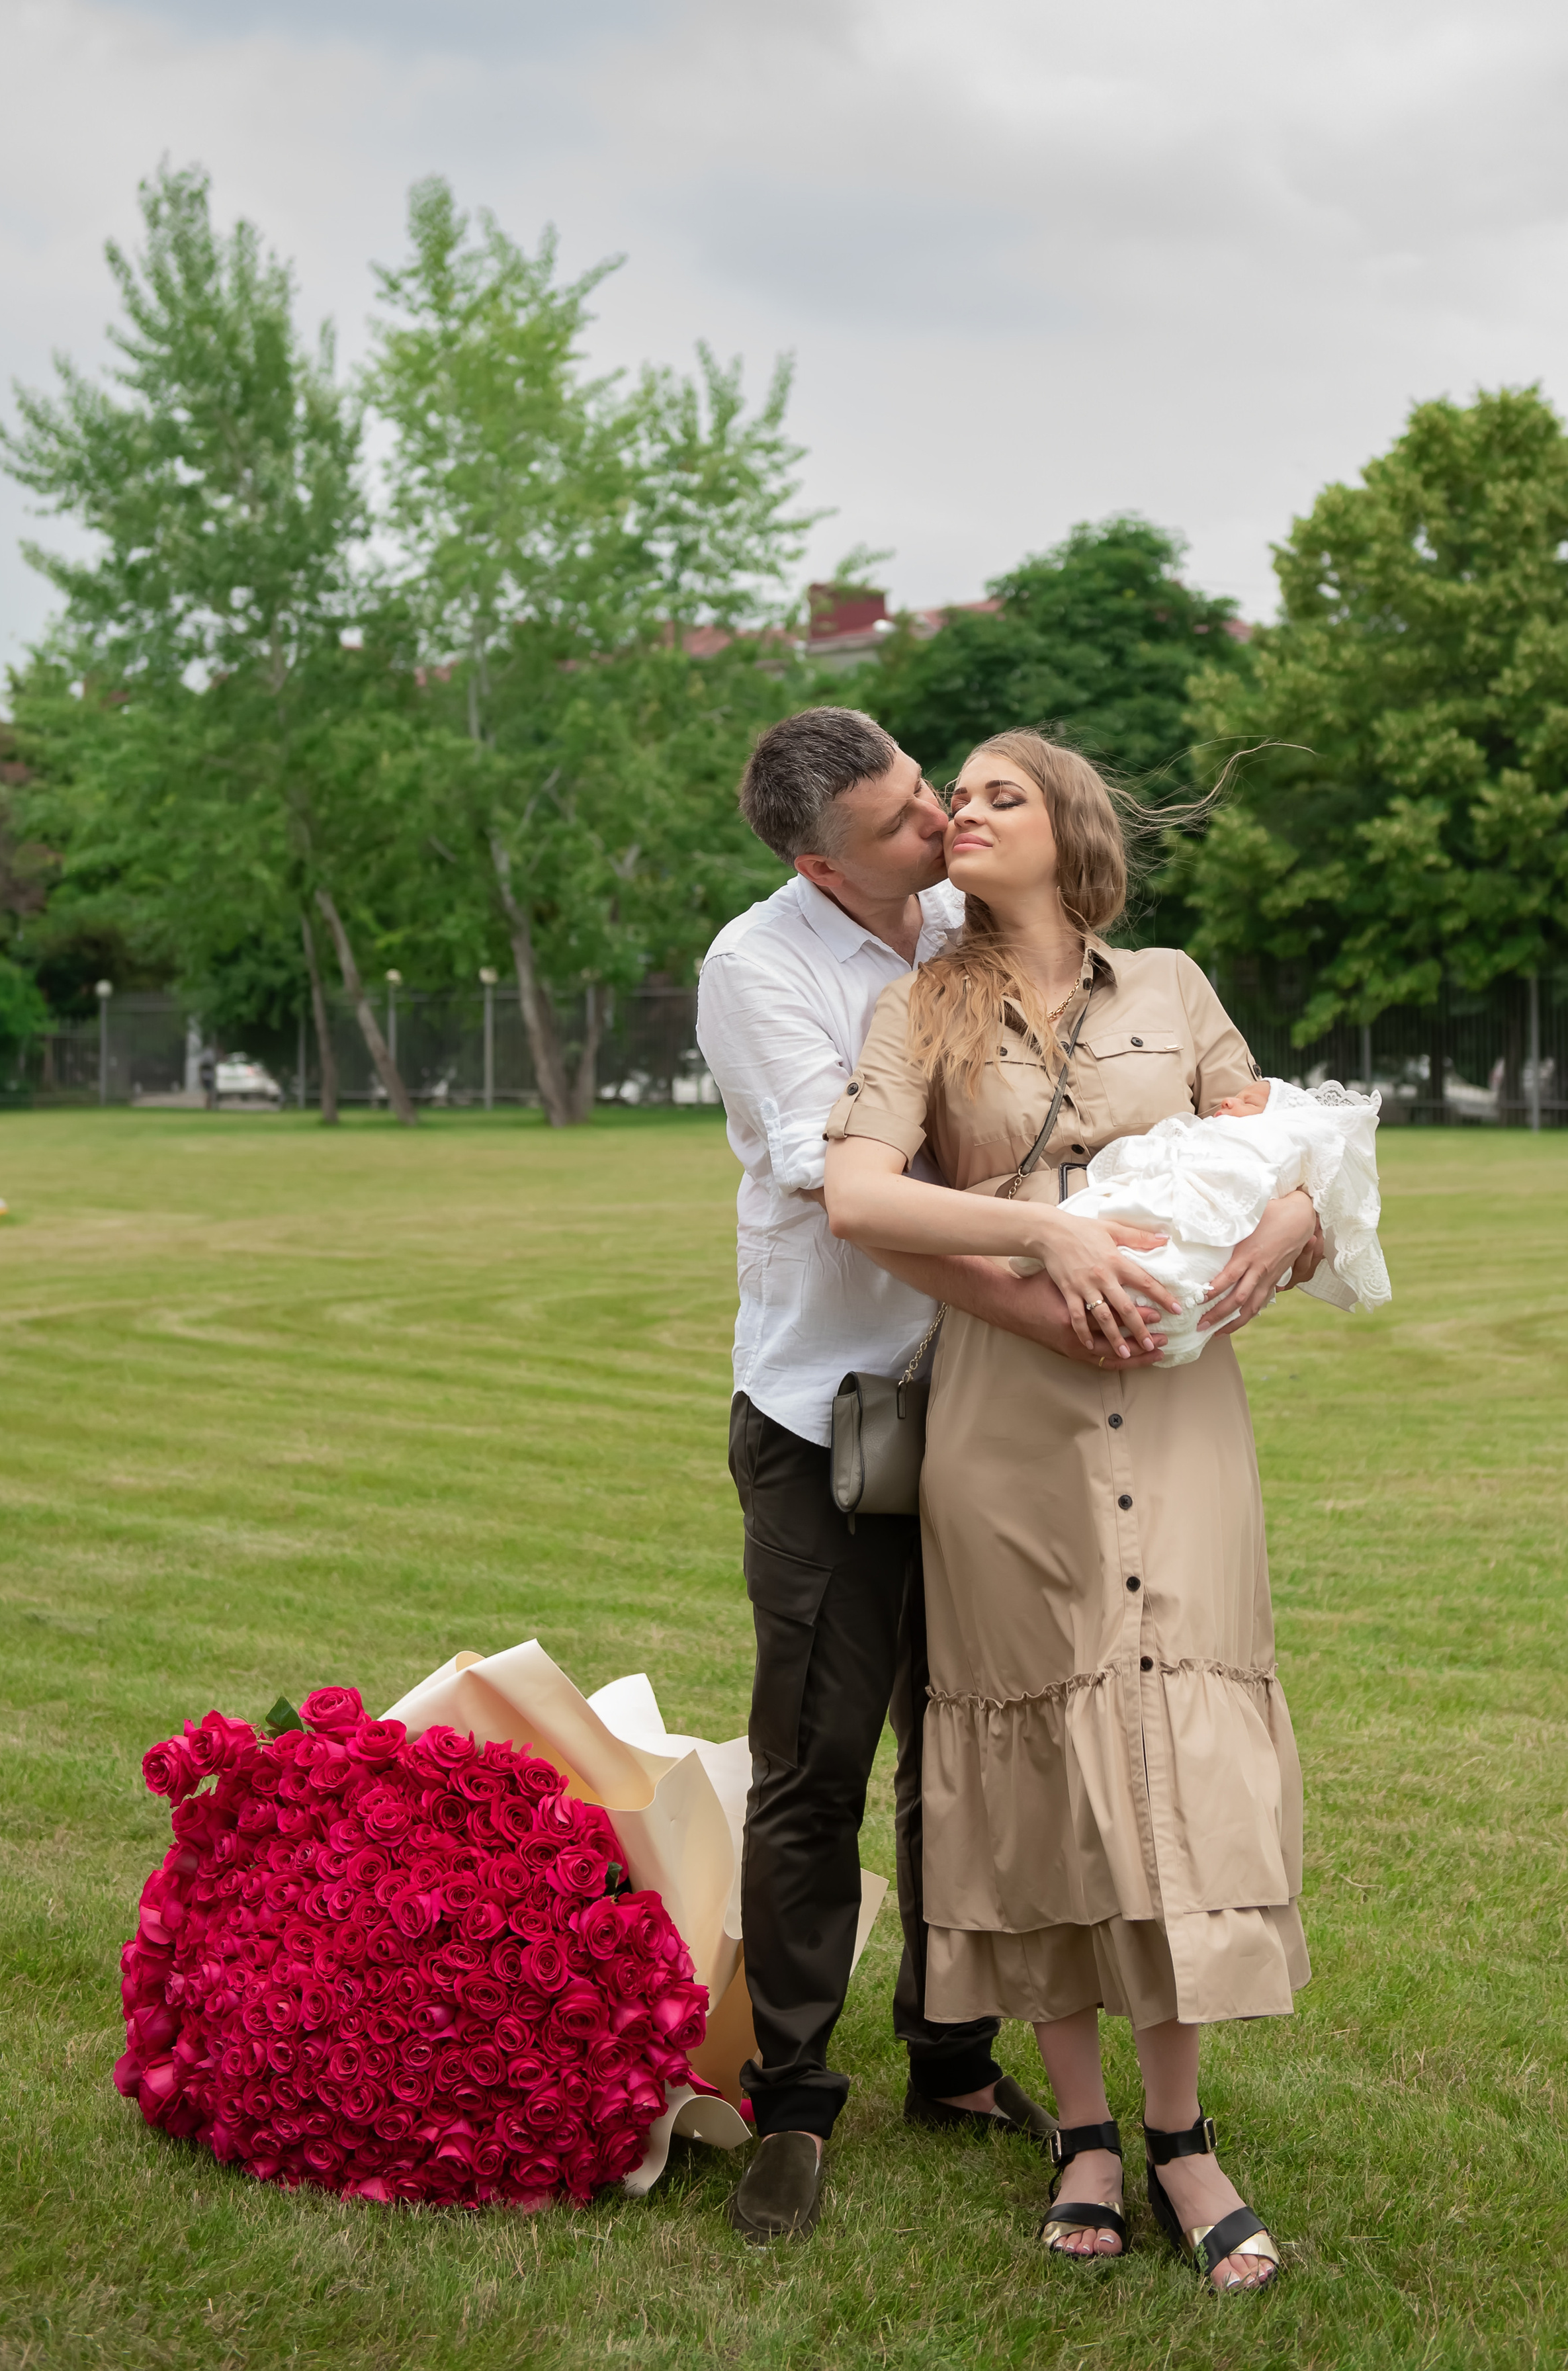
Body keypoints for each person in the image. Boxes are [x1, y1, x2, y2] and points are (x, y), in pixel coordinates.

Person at [823, 729, 1323, 2292]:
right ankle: (1083, 2130)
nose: (959, 813)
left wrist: (1296, 1219)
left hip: (1178, 1417)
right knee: (1031, 1749)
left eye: (995, 793)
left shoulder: (1171, 989)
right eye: (950, 796)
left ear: (1066, 826)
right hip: (1004, 1423)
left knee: (1169, 1735)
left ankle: (1179, 2137)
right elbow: (854, 1193)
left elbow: (1286, 1143)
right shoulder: (917, 1006)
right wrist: (1039, 1247)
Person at [696, 708, 1192, 2247]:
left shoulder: (976, 924)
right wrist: (1046, 1230)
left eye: (932, 794)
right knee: (816, 1762)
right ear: (815, 861)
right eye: (901, 823)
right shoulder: (757, 968)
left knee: (969, 1752)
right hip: (831, 1413)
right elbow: (822, 1167)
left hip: (998, 1407)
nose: (933, 830)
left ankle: (953, 2059)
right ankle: (790, 2094)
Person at [1019, 1072, 1391, 1366]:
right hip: (1158, 1198)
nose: (1228, 1100)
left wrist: (1301, 1208)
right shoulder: (1209, 1132)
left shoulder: (1276, 1141)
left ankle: (1162, 1304)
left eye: (1248, 1102)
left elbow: (1289, 1172)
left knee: (1188, 1257)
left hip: (1208, 1222)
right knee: (1116, 1219)